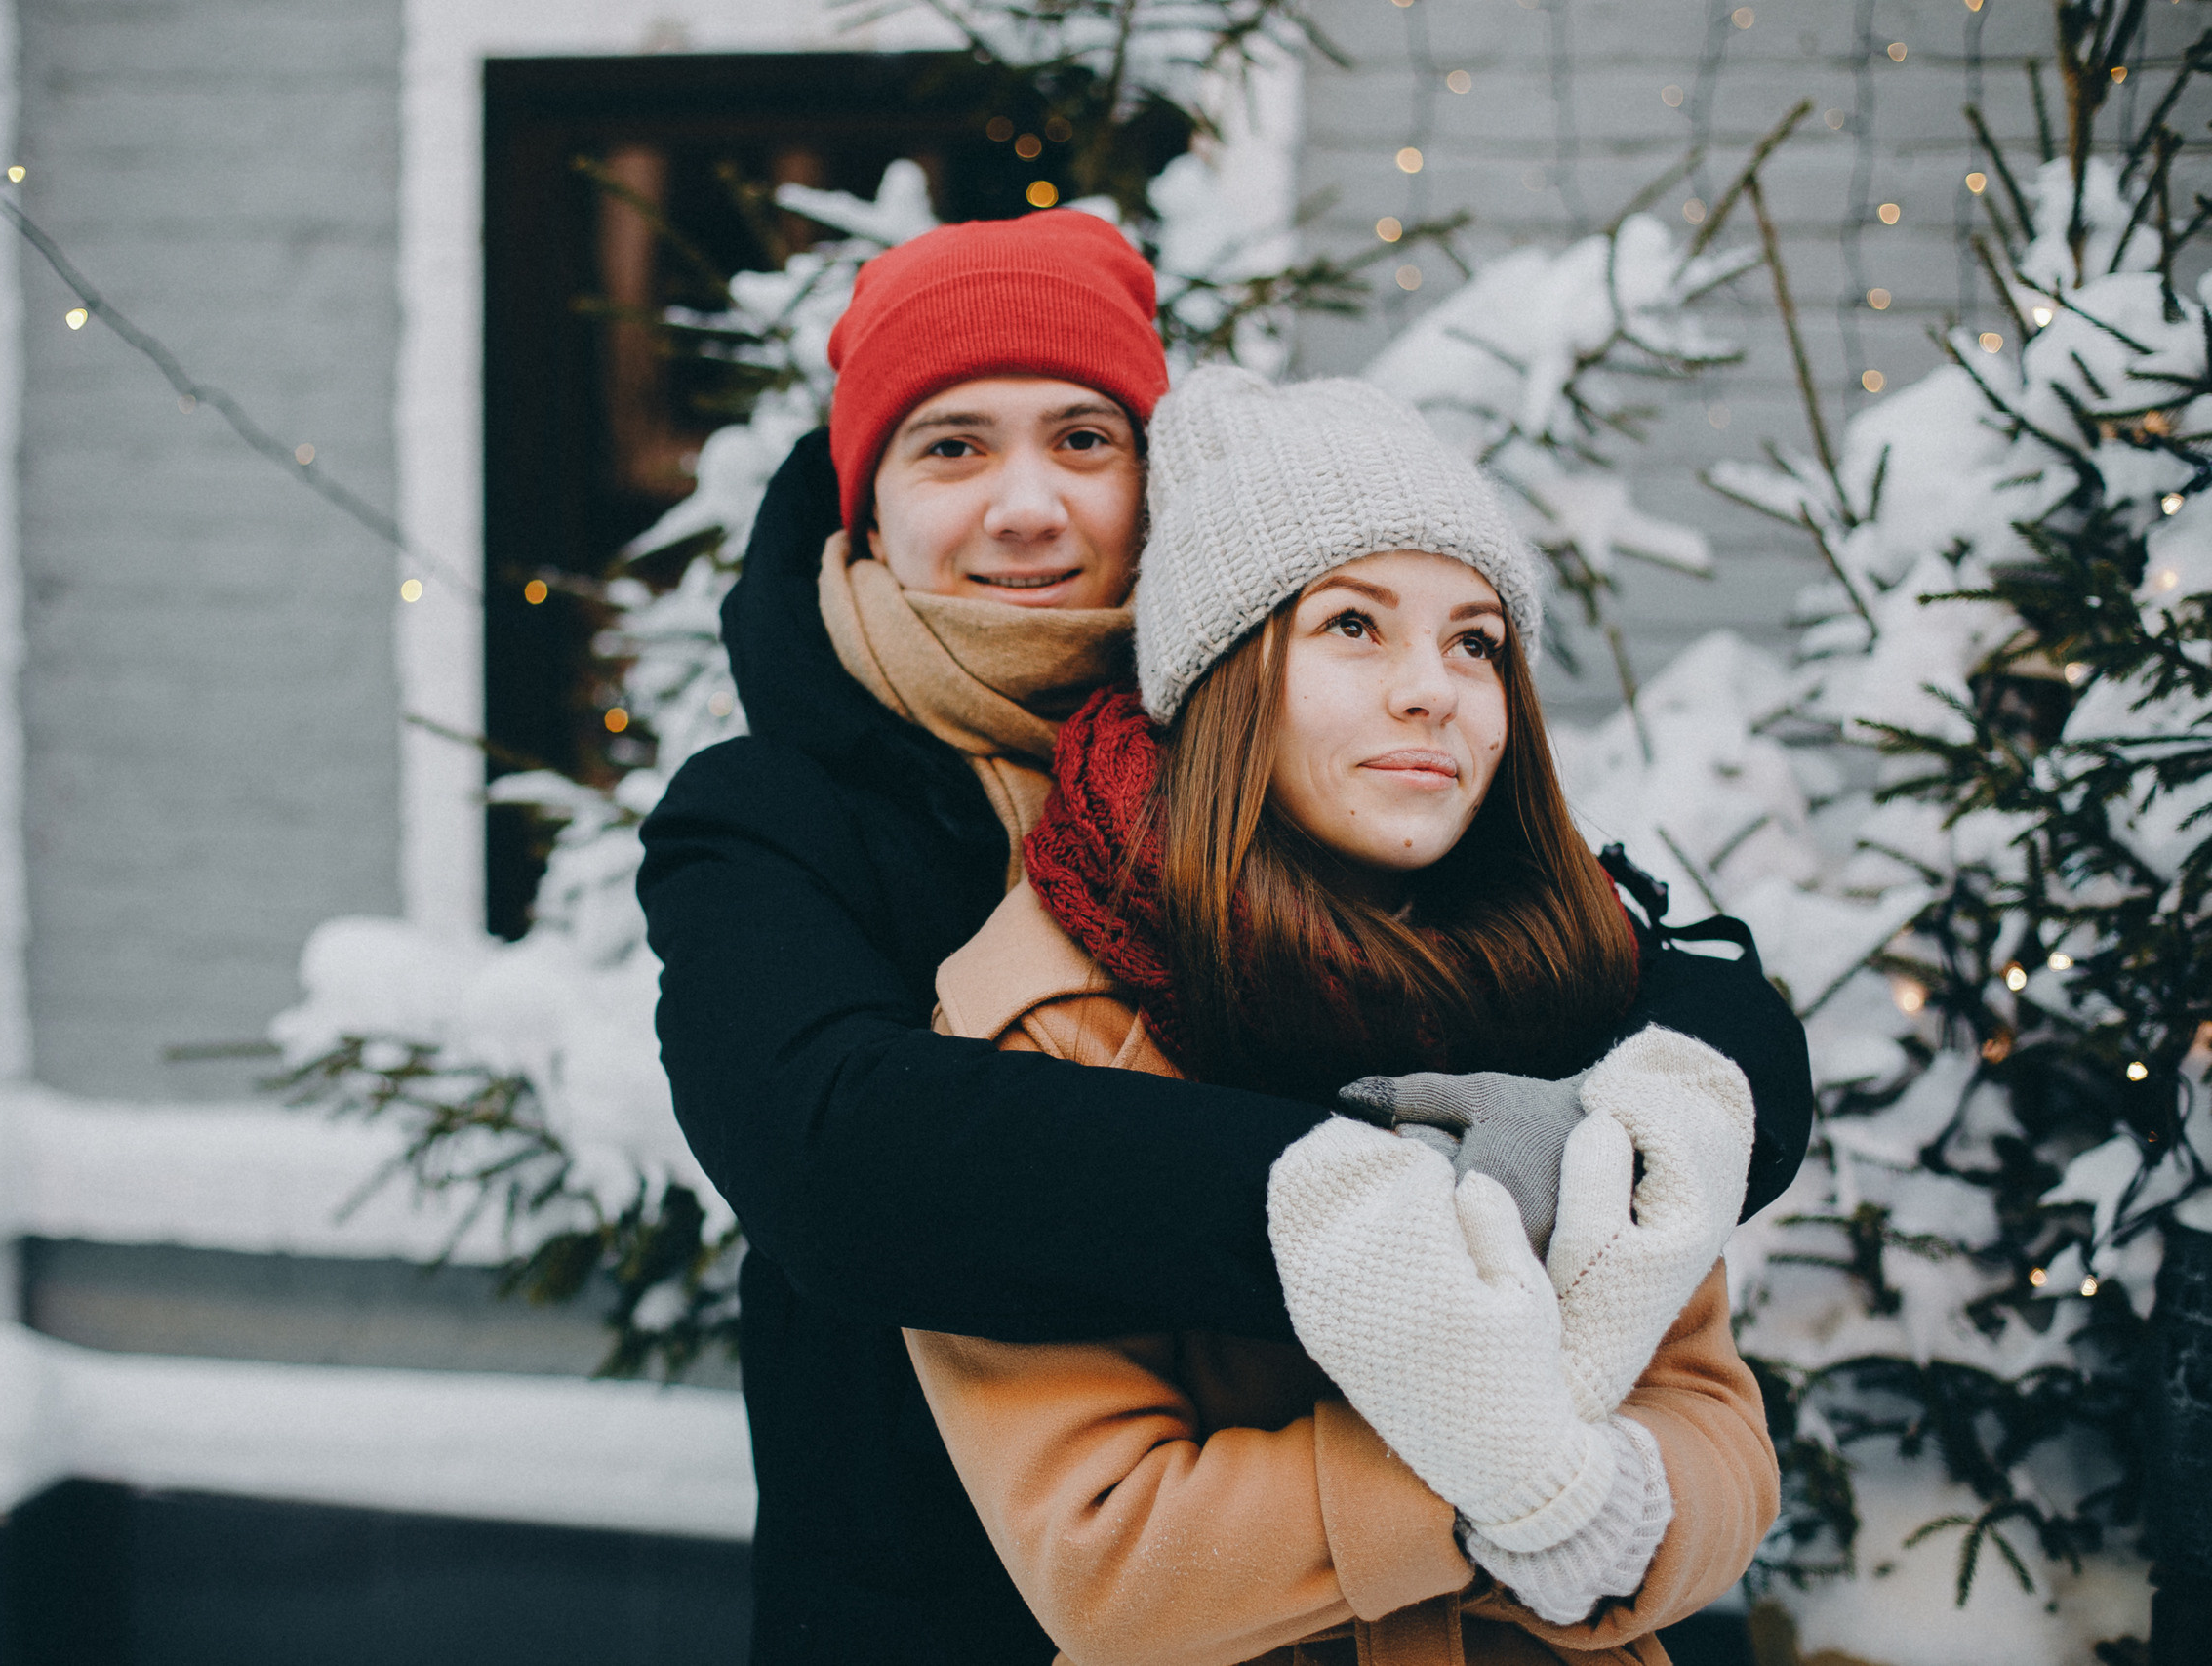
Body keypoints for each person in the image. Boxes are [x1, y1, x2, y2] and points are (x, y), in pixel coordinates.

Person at [635, 210, 1808, 1663]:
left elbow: (1626, 967)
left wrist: (1693, 1097)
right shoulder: (774, 816)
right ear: (864, 502)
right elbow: (835, 1154)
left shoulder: (1355, 771)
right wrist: (1375, 1214)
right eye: (952, 447)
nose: (1024, 505)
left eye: (1083, 440)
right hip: (934, 1591)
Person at [909, 366, 1775, 1666]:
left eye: (1474, 640)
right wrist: (1516, 1492)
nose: (1432, 689)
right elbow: (1109, 1563)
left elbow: (1716, 1425)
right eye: (1354, 628)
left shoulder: (1575, 981)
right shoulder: (1051, 1022)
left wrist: (1643, 1512)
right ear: (1225, 675)